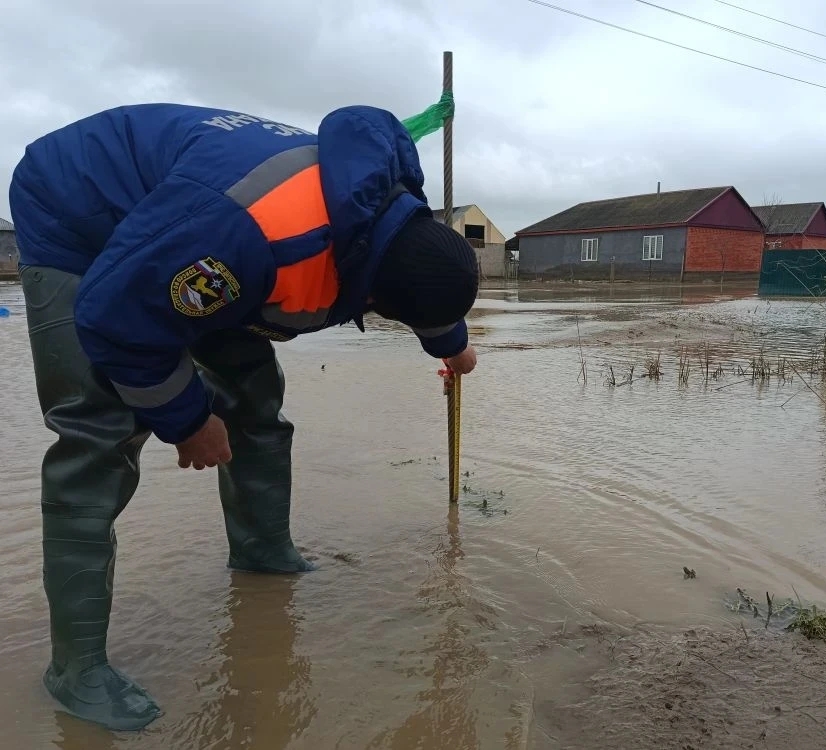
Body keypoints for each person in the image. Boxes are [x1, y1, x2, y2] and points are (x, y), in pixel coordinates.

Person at [8, 102, 479, 731]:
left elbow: (414, 270)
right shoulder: (253, 235)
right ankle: (76, 670)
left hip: (188, 231)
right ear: (369, 293)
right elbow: (115, 322)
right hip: (81, 213)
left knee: (256, 399)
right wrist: (187, 420)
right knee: (99, 434)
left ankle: (262, 552)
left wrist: (452, 343)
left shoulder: (384, 212)